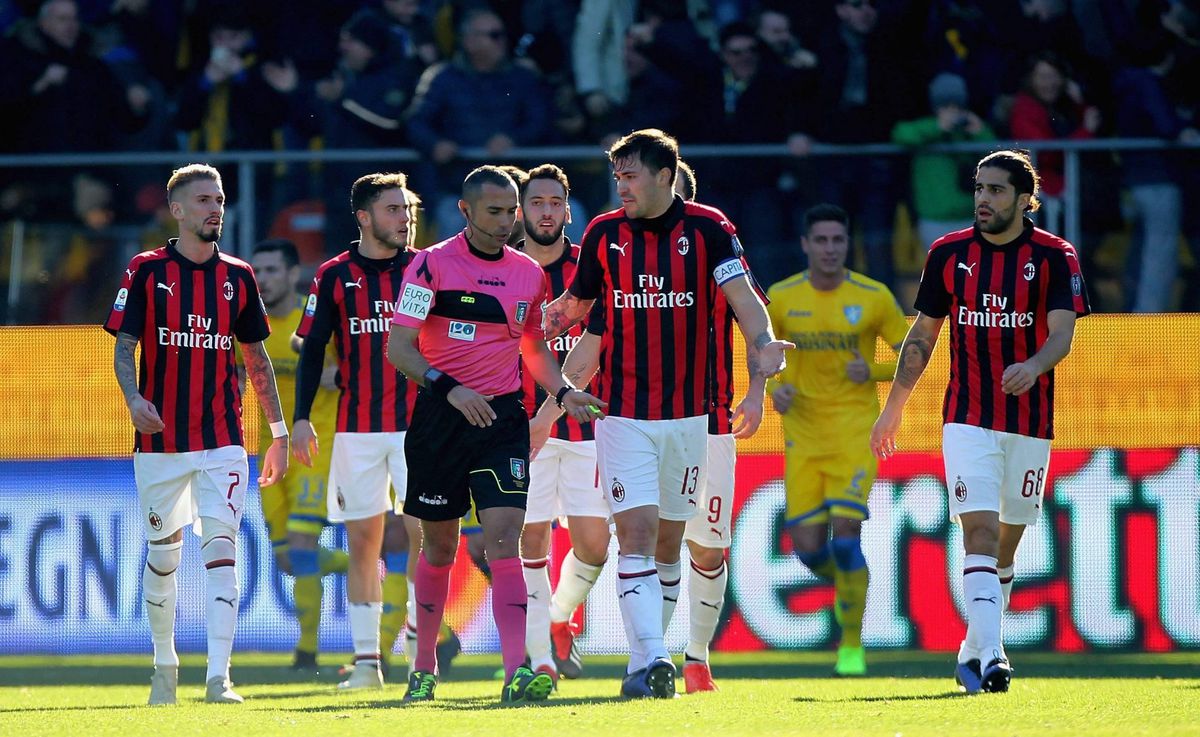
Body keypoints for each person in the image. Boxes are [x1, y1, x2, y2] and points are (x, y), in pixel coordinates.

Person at [542, 129, 790, 698]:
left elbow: (746, 302)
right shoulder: (604, 235)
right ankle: (652, 658)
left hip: (694, 418)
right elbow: (575, 312)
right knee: (635, 532)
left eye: (630, 175)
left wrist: (766, 345)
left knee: (671, 543)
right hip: (623, 413)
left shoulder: (709, 229)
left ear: (664, 175)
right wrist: (521, 331)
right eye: (617, 176)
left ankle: (662, 659)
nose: (620, 186)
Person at [871, 150, 1090, 694]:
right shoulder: (949, 254)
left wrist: (1035, 365)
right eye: (978, 189)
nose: (983, 200)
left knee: (1007, 549)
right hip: (967, 418)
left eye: (995, 190)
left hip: (1030, 421)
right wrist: (892, 409)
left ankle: (973, 651)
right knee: (981, 535)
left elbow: (1062, 333)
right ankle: (995, 656)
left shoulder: (1055, 256)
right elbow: (922, 338)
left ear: (1024, 198)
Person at [387, 166, 603, 704]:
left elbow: (532, 348)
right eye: (496, 212)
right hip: (440, 420)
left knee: (506, 538)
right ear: (465, 211)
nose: (507, 222)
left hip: (503, 421)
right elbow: (400, 349)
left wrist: (564, 390)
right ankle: (423, 666)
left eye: (512, 212)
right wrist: (450, 388)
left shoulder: (530, 274)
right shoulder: (429, 265)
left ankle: (516, 672)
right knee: (438, 548)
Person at [104, 163, 288, 705]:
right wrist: (133, 399)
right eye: (204, 199)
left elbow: (257, 359)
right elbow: (123, 346)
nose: (216, 208)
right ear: (178, 210)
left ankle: (218, 679)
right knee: (164, 556)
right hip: (160, 443)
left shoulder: (238, 276)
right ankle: (165, 667)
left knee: (222, 549)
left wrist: (276, 431)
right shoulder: (145, 270)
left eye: (221, 198)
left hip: (222, 440)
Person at [766, 203, 908, 677]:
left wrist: (875, 371)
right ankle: (851, 589)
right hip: (803, 439)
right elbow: (760, 354)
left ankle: (851, 642)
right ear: (806, 244)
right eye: (821, 240)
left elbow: (913, 356)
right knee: (808, 550)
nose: (830, 249)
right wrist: (773, 388)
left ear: (848, 245)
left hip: (854, 437)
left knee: (846, 541)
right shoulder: (783, 298)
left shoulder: (873, 296)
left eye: (838, 241)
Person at [293, 172, 421, 691]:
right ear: (364, 217)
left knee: (428, 539)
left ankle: (420, 650)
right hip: (358, 430)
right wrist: (300, 417)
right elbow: (311, 349)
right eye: (393, 210)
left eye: (407, 209)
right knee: (363, 543)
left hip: (420, 429)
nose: (404, 219)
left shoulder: (425, 269)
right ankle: (368, 664)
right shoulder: (333, 275)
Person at [516, 164, 611, 684]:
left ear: (568, 210)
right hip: (518, 427)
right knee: (528, 542)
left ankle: (556, 619)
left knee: (594, 545)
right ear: (521, 211)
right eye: (537, 202)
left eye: (555, 202)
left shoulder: (590, 267)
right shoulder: (502, 266)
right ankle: (540, 658)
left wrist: (548, 415)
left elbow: (594, 348)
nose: (547, 211)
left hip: (582, 426)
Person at [248, 238, 348, 672]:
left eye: (272, 271)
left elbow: (363, 365)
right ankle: (373, 558)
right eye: (257, 273)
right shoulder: (248, 325)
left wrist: (336, 375)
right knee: (289, 558)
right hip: (270, 453)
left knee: (304, 544)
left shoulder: (316, 316)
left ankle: (306, 651)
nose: (264, 280)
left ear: (292, 274)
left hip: (316, 447)